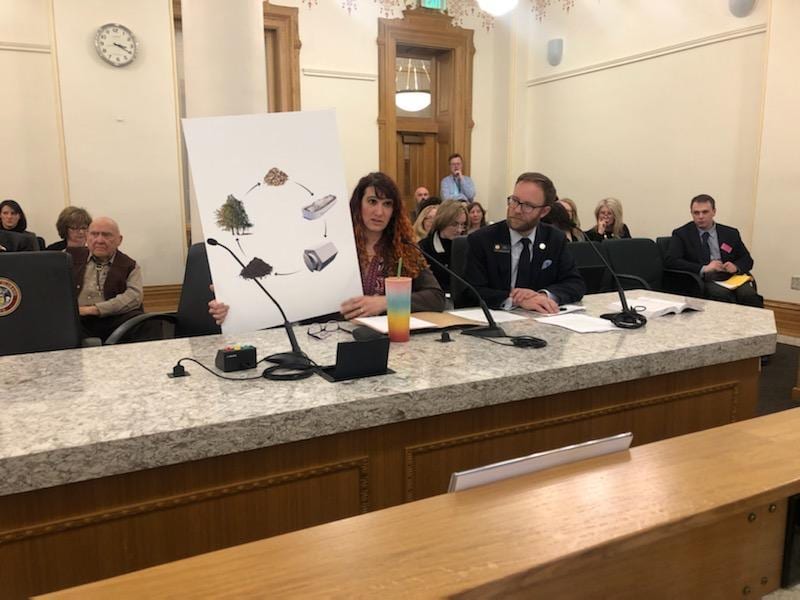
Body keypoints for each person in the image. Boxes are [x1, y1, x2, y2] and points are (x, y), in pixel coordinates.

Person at [209, 172, 445, 325]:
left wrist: (385, 302)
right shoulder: (330, 246)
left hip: (392, 344)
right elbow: (286, 292)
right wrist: (235, 304)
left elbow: (435, 298)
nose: (379, 212)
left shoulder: (404, 250)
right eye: (372, 202)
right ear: (358, 205)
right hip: (329, 343)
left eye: (387, 204)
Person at [465, 172, 586, 314]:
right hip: (496, 320)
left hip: (541, 321)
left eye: (527, 206)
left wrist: (542, 296)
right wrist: (515, 300)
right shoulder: (482, 239)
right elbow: (470, 292)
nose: (516, 210)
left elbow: (575, 284)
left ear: (544, 211)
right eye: (514, 200)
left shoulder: (554, 239)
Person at [665, 194, 763, 307]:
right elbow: (671, 260)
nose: (700, 216)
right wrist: (704, 268)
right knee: (722, 295)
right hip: (704, 279)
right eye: (696, 213)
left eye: (705, 212)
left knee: (749, 295)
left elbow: (747, 259)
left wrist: (736, 267)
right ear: (691, 213)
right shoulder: (682, 234)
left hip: (730, 277)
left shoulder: (730, 233)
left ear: (714, 212)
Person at [66, 217, 144, 341]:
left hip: (114, 318)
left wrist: (95, 309)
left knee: (142, 322)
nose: (100, 240)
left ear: (119, 240)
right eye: (94, 234)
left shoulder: (130, 265)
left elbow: (134, 297)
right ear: (87, 237)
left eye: (107, 235)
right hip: (77, 320)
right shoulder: (68, 259)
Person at [418, 200, 468, 292]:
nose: (459, 230)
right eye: (455, 224)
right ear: (442, 221)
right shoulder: (424, 248)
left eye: (463, 225)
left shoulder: (468, 246)